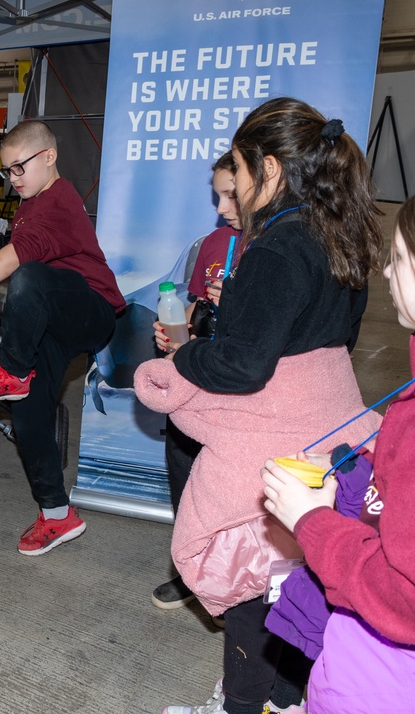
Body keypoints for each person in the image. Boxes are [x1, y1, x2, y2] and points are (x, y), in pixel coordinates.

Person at [131, 98, 383, 714]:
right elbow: (335, 342)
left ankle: (241, 704)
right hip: (329, 429)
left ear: (267, 170)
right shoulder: (335, 236)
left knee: (249, 578)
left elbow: (244, 365)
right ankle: (289, 698)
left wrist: (180, 363)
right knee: (298, 575)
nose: (235, 191)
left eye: (238, 174)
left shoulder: (276, 248)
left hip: (267, 441)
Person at [0, 120, 124, 555]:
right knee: (30, 411)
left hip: (90, 310)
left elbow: (18, 258)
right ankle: (57, 515)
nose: (13, 179)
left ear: (49, 157)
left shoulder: (57, 200)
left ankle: (11, 371)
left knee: (29, 276)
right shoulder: (30, 203)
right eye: (7, 171)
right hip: (52, 321)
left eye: (19, 168)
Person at [259, 196, 415, 713]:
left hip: (381, 681)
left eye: (398, 258)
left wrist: (312, 520)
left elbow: (402, 592)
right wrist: (363, 479)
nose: (387, 274)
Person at [151, 152, 242, 612]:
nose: (223, 207)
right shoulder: (213, 243)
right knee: (183, 468)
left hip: (245, 387)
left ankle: (240, 584)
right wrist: (172, 333)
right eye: (218, 196)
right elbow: (192, 308)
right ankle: (193, 570)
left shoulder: (278, 248)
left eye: (231, 194)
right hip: (199, 379)